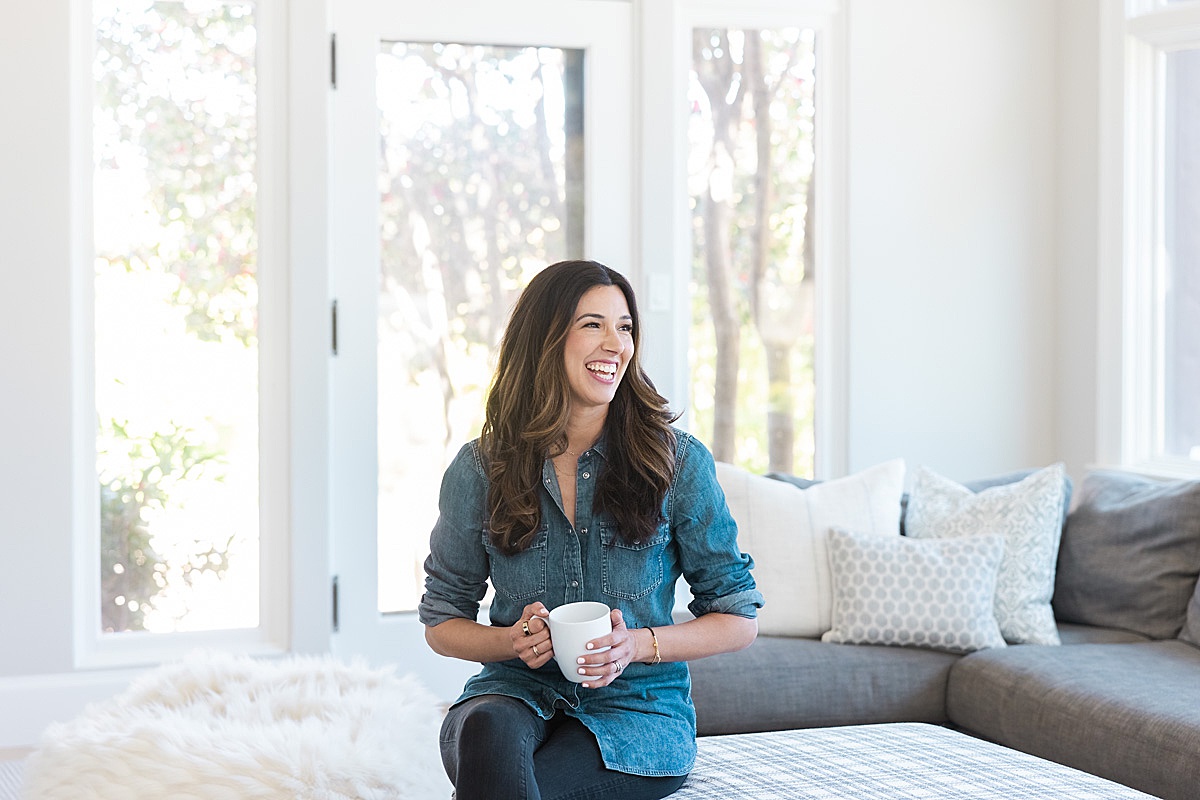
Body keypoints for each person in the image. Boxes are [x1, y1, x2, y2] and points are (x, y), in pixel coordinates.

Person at [419, 259, 763, 800]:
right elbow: (442, 621)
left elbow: (738, 618)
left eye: (624, 327)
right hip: (515, 691)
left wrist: (638, 645)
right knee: (488, 727)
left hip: (638, 711)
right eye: (592, 325)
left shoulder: (677, 463)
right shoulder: (481, 468)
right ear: (545, 338)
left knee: (536, 783)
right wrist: (509, 642)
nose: (616, 344)